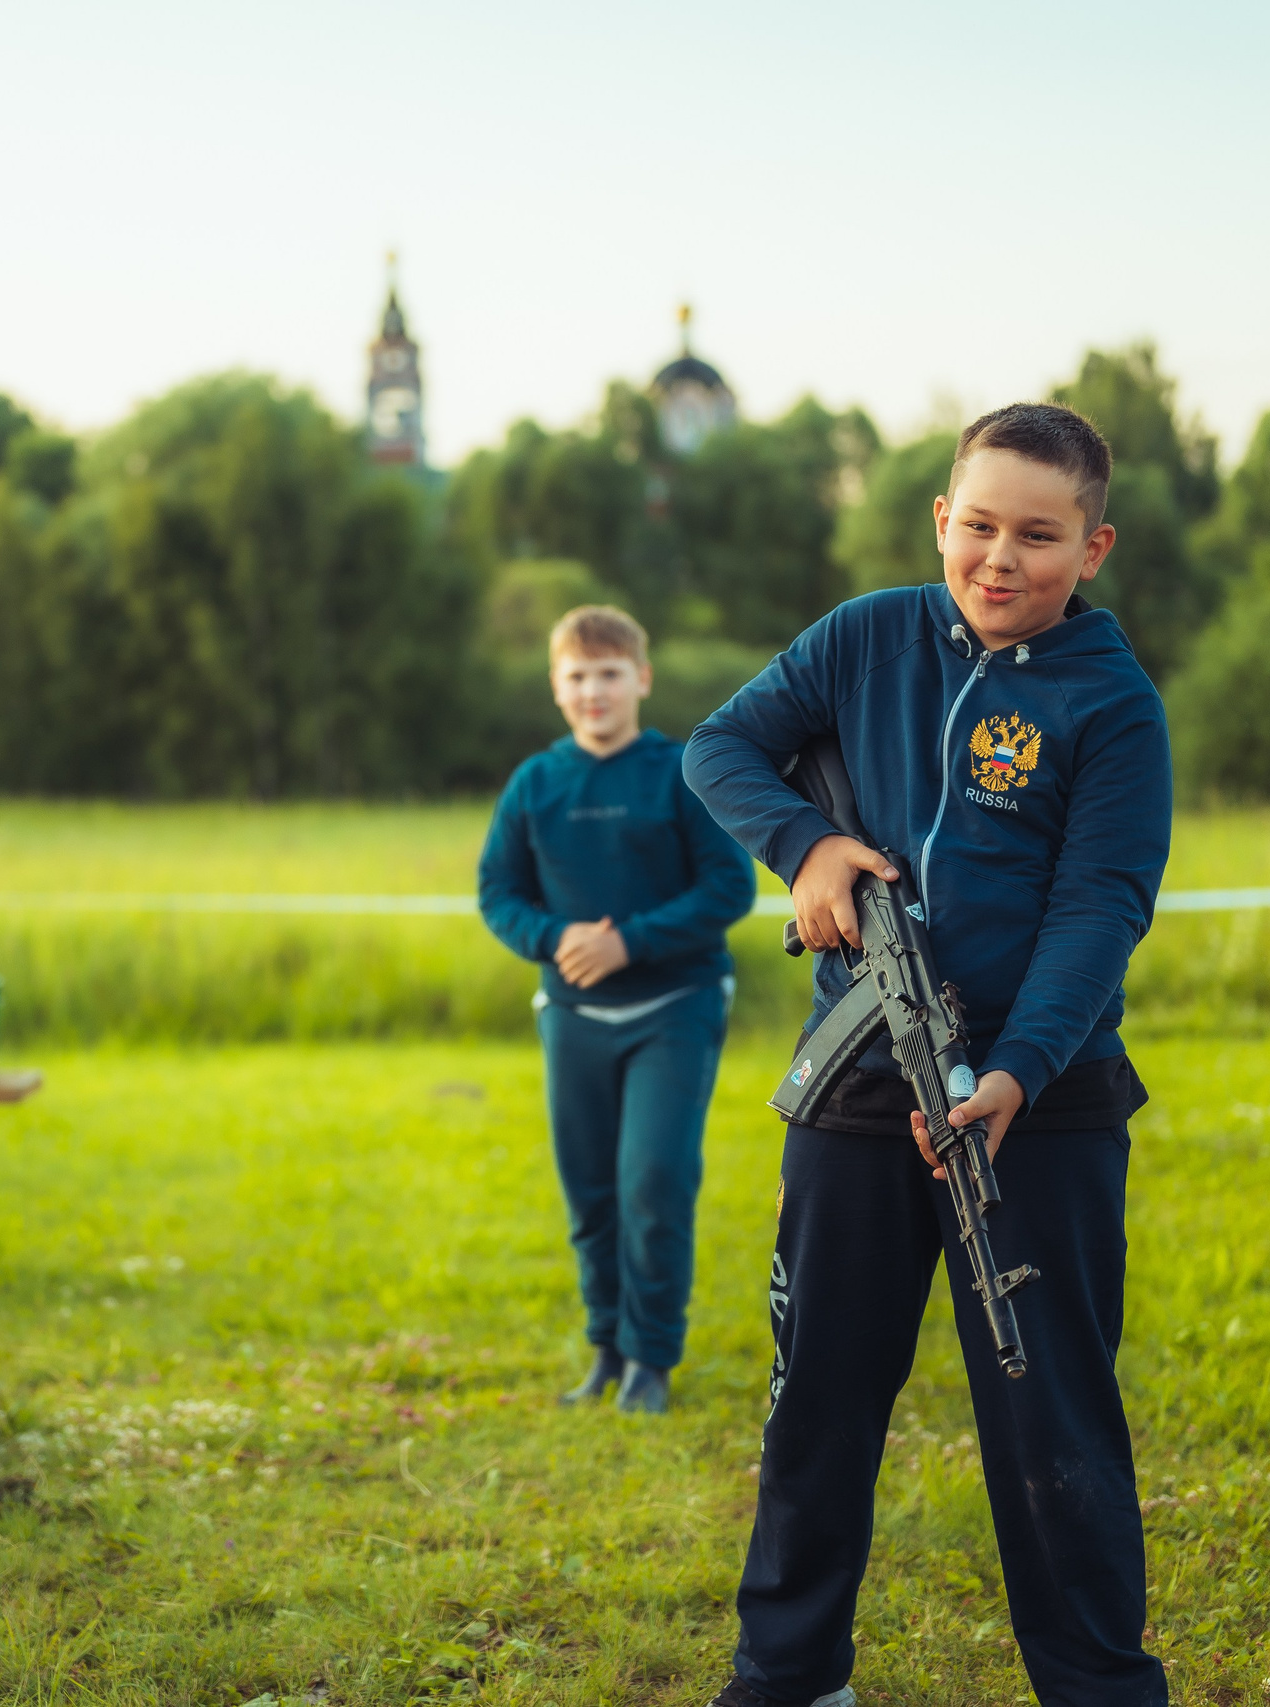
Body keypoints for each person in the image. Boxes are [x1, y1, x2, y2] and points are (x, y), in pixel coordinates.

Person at [684, 404, 1172, 1707]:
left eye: (1038, 534)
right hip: (854, 1089)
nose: (1000, 556)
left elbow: (1100, 906)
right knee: (819, 1396)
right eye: (979, 523)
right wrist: (810, 846)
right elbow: (720, 746)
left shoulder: (1115, 706)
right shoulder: (864, 636)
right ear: (939, 519)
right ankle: (788, 1674)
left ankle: (1099, 1685)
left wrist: (1012, 1070)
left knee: (1050, 1415)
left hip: (1043, 1105)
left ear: (1094, 547)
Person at [478, 606, 757, 1414]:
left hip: (675, 1007)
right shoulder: (535, 782)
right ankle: (604, 1348)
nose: (592, 690)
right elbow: (499, 892)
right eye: (576, 676)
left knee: (654, 1180)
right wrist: (556, 936)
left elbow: (728, 888)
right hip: (571, 1016)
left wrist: (627, 943)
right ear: (556, 688)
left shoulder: (682, 772)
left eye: (608, 673)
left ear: (640, 678)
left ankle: (650, 1362)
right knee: (591, 1191)